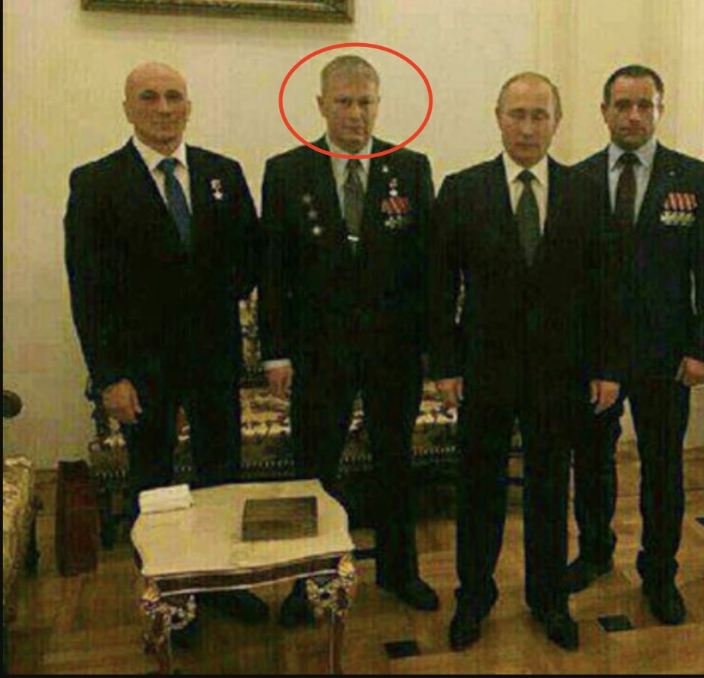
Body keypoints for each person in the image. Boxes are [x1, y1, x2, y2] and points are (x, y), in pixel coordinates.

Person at [64, 62, 266, 625]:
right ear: (128, 108)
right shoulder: (97, 182)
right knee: (153, 486)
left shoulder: (221, 172)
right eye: (149, 97)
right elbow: (88, 290)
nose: (163, 108)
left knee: (222, 477)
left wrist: (216, 292)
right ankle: (171, 599)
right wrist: (109, 376)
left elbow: (251, 255)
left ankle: (222, 583)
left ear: (189, 107)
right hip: (141, 370)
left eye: (174, 97)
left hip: (214, 361)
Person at [429, 72, 622, 652]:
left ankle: (548, 598)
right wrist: (445, 365)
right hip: (484, 370)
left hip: (560, 372)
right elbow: (439, 287)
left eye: (540, 115)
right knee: (479, 492)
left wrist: (607, 366)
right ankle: (474, 596)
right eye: (518, 114)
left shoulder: (586, 191)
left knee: (548, 491)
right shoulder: (462, 189)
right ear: (498, 117)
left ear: (557, 122)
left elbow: (605, 288)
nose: (528, 127)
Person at [258, 55, 438, 626]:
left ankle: (400, 572)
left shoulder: (409, 168)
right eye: (343, 102)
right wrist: (276, 352)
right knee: (314, 468)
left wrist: (433, 351)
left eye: (365, 102)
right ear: (321, 105)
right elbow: (273, 272)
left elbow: (427, 269)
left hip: (393, 352)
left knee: (395, 463)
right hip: (318, 352)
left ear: (378, 105)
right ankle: (310, 581)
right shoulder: (287, 172)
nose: (355, 114)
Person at [569, 65, 704, 625]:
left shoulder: (696, 179)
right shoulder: (577, 180)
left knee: (663, 468)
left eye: (644, 105)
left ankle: (659, 572)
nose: (633, 115)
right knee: (592, 462)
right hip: (596, 358)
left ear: (660, 109)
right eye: (622, 105)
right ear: (604, 110)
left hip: (668, 355)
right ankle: (594, 552)